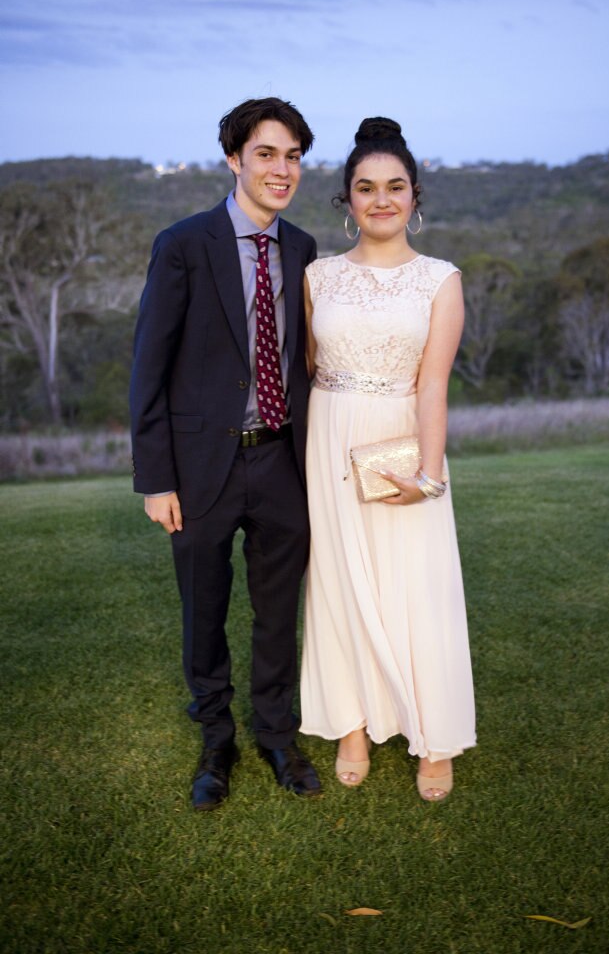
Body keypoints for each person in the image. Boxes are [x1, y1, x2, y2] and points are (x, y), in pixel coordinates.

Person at [129, 97, 321, 810]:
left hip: (279, 462)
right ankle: (216, 739)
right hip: (199, 467)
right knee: (202, 612)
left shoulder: (300, 248)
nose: (281, 169)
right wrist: (155, 479)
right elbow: (150, 365)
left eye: (293, 155)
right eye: (266, 153)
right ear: (234, 158)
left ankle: (276, 736)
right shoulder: (184, 243)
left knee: (277, 615)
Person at [300, 117, 476, 801]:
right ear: (346, 200)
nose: (380, 199)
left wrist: (428, 476)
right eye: (365, 188)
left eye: (393, 187)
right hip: (329, 437)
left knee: (417, 589)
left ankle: (435, 735)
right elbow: (309, 367)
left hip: (405, 437)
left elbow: (433, 382)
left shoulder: (440, 279)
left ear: (414, 195)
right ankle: (352, 722)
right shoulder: (317, 275)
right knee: (339, 585)